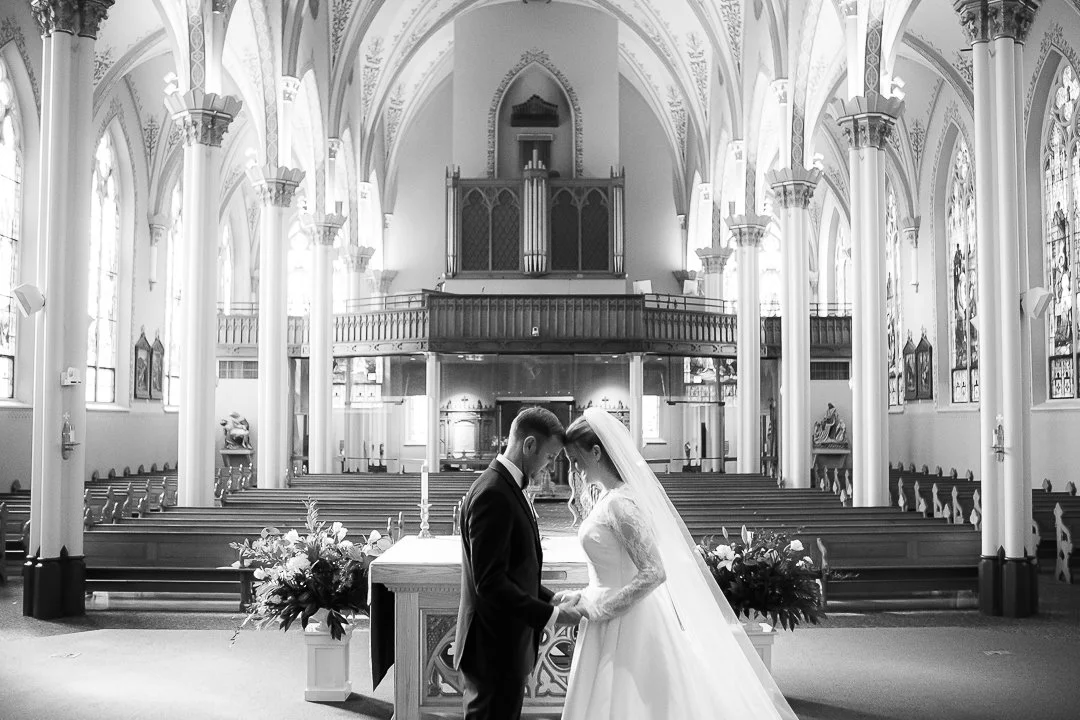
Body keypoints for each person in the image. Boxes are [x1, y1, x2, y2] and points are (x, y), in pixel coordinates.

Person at [556, 408, 799, 719]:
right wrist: (582, 596)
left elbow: (654, 572)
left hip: (628, 620)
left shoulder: (620, 504)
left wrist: (600, 609)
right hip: (607, 611)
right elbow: (612, 569)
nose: (575, 469)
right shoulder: (609, 498)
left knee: (633, 700)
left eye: (577, 460)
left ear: (597, 452)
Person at [453, 406, 582, 720]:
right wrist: (552, 615)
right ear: (528, 446)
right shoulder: (493, 493)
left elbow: (513, 572)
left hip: (502, 647)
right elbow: (491, 584)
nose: (548, 468)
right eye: (549, 457)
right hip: (492, 650)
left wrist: (552, 597)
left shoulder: (505, 486)